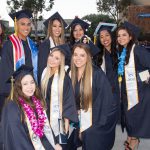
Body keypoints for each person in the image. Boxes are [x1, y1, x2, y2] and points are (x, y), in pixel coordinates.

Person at [1, 65, 62, 150]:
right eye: (25, 84)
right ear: (18, 87)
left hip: (41, 144)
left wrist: (54, 143)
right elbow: (17, 137)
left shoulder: (35, 102)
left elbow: (44, 127)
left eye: (32, 82)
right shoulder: (12, 107)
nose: (30, 86)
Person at [71, 43, 118, 150]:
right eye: (75, 54)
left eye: (82, 55)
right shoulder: (72, 72)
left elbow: (107, 102)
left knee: (91, 142)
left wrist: (94, 125)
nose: (78, 58)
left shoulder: (97, 74)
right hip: (79, 117)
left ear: (89, 57)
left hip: (96, 120)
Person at [117, 22, 150, 150]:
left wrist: (143, 78)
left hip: (140, 93)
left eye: (124, 35)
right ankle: (131, 137)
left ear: (131, 37)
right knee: (130, 116)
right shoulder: (125, 51)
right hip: (130, 92)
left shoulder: (138, 49)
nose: (120, 38)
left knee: (135, 117)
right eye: (118, 35)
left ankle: (134, 140)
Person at [0, 9, 38, 120]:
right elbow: (5, 72)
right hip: (14, 94)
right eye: (22, 24)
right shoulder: (9, 45)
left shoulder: (33, 46)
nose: (26, 27)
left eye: (28, 24)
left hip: (30, 92)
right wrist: (14, 93)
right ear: (16, 25)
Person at [41, 44, 78, 149]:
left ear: (61, 61)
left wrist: (66, 121)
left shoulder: (64, 78)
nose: (52, 59)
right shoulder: (45, 72)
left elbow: (68, 99)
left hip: (59, 118)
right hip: (45, 115)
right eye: (51, 55)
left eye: (57, 58)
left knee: (59, 144)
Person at [94, 24, 120, 120]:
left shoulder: (120, 52)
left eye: (107, 35)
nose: (104, 38)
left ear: (111, 36)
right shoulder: (98, 56)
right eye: (101, 37)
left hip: (119, 92)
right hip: (105, 93)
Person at [38, 12, 67, 84]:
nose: (57, 29)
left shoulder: (64, 44)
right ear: (50, 27)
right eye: (54, 26)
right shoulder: (45, 45)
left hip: (62, 80)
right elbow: (42, 68)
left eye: (60, 26)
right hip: (49, 81)